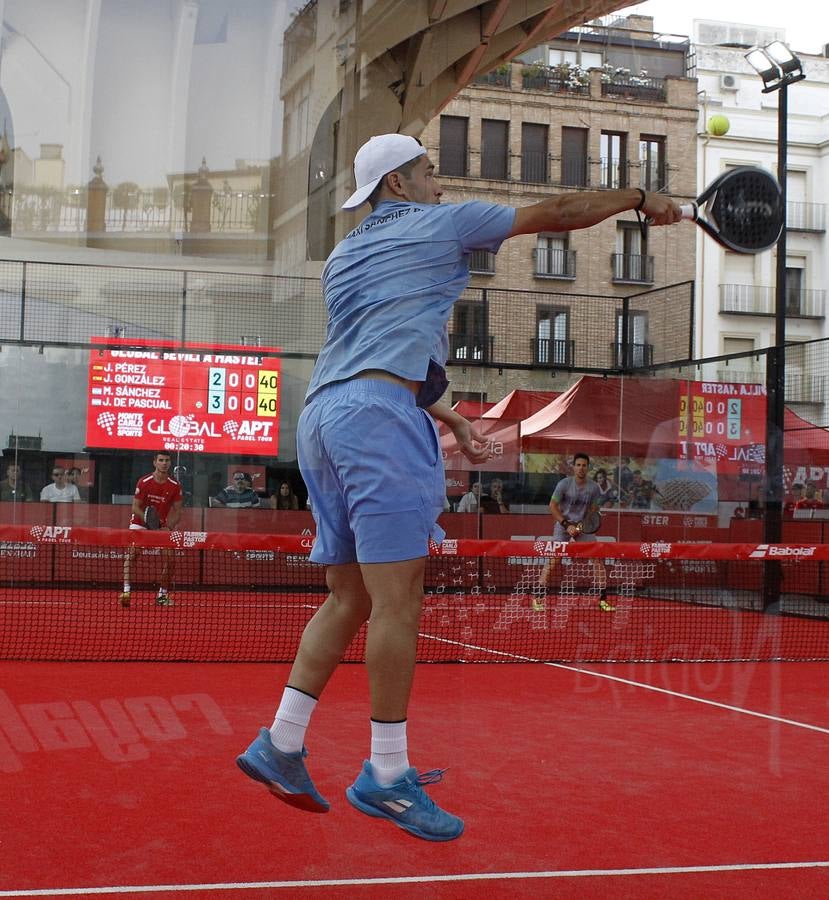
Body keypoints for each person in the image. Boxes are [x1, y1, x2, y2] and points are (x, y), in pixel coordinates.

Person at [234, 133, 681, 841]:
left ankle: (280, 744)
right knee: (396, 600)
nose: (439, 183)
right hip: (377, 422)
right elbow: (558, 209)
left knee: (349, 596)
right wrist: (637, 198)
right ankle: (384, 775)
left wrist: (450, 418)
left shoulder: (346, 256)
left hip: (322, 419)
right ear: (400, 185)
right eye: (428, 171)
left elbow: (385, 352)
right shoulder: (439, 222)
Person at [535, 452, 611, 612]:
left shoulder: (594, 488)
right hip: (563, 525)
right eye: (578, 465)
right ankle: (538, 598)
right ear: (573, 467)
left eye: (584, 465)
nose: (581, 468)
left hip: (583, 528)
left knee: (597, 561)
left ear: (588, 468)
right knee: (554, 560)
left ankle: (603, 600)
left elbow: (594, 510)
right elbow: (553, 506)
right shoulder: (564, 484)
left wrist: (582, 525)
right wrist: (566, 524)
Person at [119, 452, 183, 608]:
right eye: (161, 460)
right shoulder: (144, 481)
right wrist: (149, 521)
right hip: (140, 522)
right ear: (155, 462)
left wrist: (168, 526)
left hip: (160, 526)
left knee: (171, 560)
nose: (164, 463)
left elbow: (178, 511)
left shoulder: (175, 485)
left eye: (167, 460)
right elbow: (135, 507)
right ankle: (126, 592)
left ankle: (162, 595)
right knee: (132, 555)